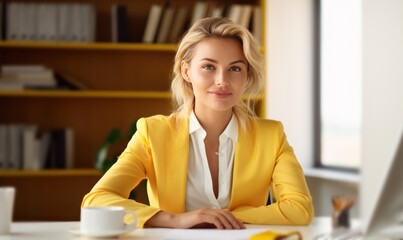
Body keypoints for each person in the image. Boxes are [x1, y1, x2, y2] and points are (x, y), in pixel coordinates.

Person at [82, 17, 313, 229]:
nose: (222, 81)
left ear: (246, 76)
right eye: (208, 67)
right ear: (186, 71)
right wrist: (177, 220)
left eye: (234, 68)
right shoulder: (152, 133)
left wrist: (223, 218)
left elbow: (300, 209)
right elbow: (96, 200)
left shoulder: (271, 136)